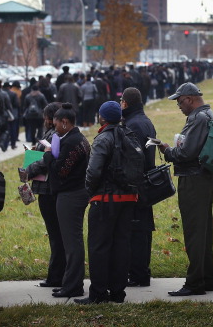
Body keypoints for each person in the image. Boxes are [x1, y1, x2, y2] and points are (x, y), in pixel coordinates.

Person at [156, 82, 213, 296]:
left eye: (180, 102)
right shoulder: (209, 114)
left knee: (194, 231)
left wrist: (167, 150)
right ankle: (206, 279)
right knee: (203, 230)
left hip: (193, 179)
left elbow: (185, 153)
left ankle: (194, 283)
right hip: (205, 177)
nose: (178, 106)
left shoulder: (197, 118)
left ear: (190, 99)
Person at [74, 101, 138, 304]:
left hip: (105, 199)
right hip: (128, 198)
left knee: (99, 247)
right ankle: (118, 292)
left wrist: (90, 191)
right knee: (121, 246)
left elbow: (93, 171)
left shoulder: (103, 138)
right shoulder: (129, 134)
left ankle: (99, 293)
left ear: (102, 117)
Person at [43, 103, 91, 298]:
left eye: (55, 124)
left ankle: (73, 286)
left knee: (72, 243)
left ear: (64, 122)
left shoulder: (72, 142)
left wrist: (48, 157)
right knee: (72, 242)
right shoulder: (77, 138)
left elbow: (60, 171)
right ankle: (70, 282)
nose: (54, 128)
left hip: (71, 194)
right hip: (74, 193)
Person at [24, 102, 65, 289]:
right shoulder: (59, 134)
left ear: (49, 118)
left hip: (47, 190)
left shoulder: (51, 135)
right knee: (58, 234)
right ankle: (58, 274)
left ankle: (56, 276)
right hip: (54, 189)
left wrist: (28, 168)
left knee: (55, 235)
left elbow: (44, 161)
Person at [121, 88, 157, 287]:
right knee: (142, 230)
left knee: (136, 231)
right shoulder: (145, 121)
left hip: (136, 183)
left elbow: (132, 158)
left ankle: (138, 273)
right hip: (146, 180)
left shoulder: (132, 124)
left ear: (125, 103)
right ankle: (141, 271)